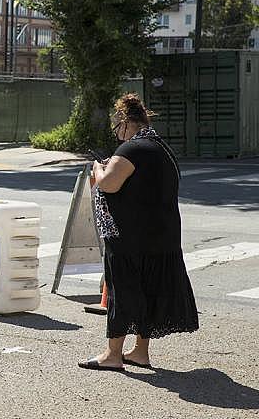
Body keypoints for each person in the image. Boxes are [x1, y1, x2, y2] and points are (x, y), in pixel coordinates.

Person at [79, 93, 198, 372]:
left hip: (129, 237)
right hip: (161, 236)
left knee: (125, 291)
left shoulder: (132, 150)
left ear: (124, 122)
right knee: (149, 292)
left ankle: (112, 354)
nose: (117, 135)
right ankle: (140, 352)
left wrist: (98, 167)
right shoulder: (160, 147)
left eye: (116, 128)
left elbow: (108, 185)